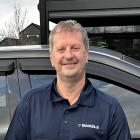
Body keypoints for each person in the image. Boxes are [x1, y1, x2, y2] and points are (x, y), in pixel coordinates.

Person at [4, 20, 131, 140]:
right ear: (52, 58)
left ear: (86, 54)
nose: (69, 55)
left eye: (75, 48)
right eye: (61, 49)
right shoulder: (30, 103)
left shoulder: (110, 109)